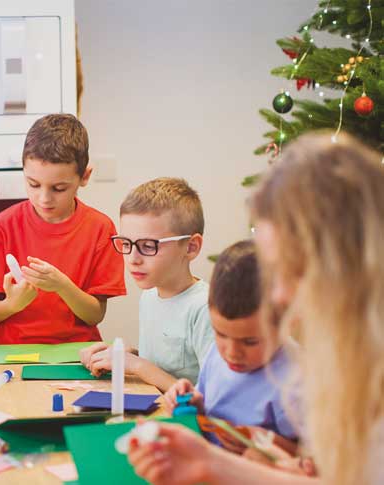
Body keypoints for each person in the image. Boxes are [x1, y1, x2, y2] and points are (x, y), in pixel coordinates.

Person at [128, 133, 384, 485]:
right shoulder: (343, 354)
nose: (276, 295)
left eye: (287, 269)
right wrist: (211, 461)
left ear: (342, 262)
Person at [0, 113, 126, 344]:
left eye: (59, 188)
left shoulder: (100, 229)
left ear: (85, 176)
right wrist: (13, 304)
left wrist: (62, 286)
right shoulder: (2, 226)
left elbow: (95, 315)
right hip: (13, 351)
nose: (44, 198)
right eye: (33, 184)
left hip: (76, 352)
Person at [162, 240, 297, 451]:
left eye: (250, 341)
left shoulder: (296, 382)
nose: (232, 353)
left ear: (286, 323)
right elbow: (209, 409)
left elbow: (316, 463)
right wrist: (193, 405)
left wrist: (266, 445)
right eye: (220, 334)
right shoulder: (218, 354)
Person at [81, 178, 212, 390]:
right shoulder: (150, 296)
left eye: (148, 246)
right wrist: (123, 355)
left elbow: (209, 398)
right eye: (126, 244)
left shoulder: (205, 309)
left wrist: (138, 365)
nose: (132, 258)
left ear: (191, 247)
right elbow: (168, 367)